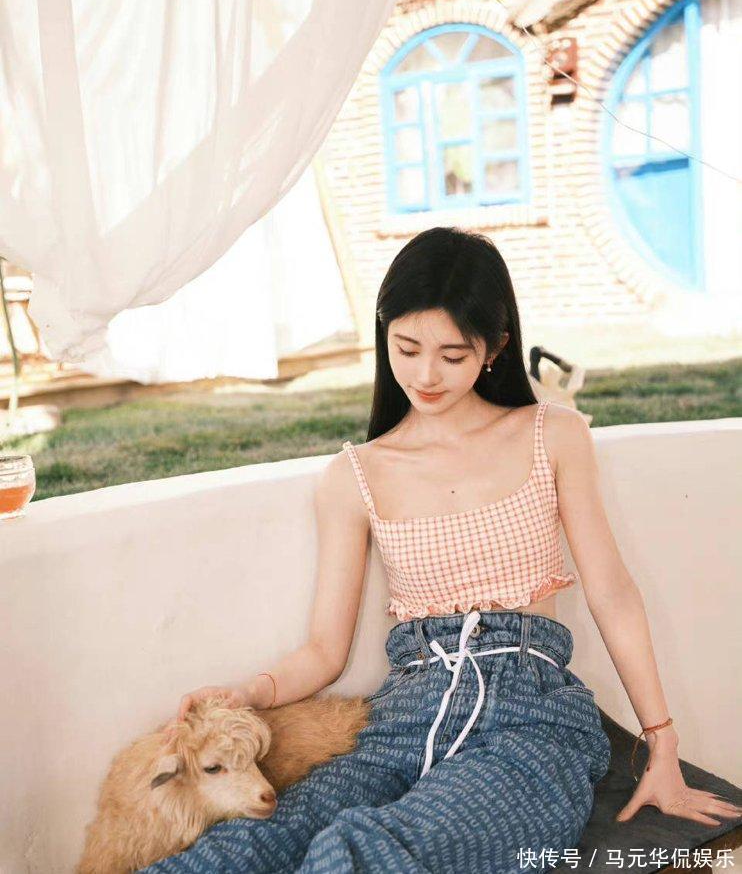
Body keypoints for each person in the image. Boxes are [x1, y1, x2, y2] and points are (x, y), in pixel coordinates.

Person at [142, 227, 741, 873]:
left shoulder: (552, 435)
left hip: (531, 724)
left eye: (453, 355)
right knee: (238, 852)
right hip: (402, 718)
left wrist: (662, 746)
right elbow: (323, 651)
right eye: (407, 348)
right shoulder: (355, 476)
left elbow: (612, 594)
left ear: (495, 348)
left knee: (361, 853)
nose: (426, 375)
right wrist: (246, 692)